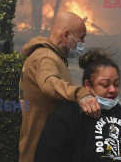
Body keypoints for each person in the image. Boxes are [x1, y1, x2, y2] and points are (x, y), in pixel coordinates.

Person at [34, 49, 121, 162]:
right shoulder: (68, 115)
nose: (112, 90)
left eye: (116, 84)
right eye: (105, 84)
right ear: (88, 86)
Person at [19, 11, 101, 162]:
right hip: (40, 154)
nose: (83, 42)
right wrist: (80, 94)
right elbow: (49, 84)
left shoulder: (49, 56)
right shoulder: (46, 57)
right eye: (81, 37)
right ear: (66, 35)